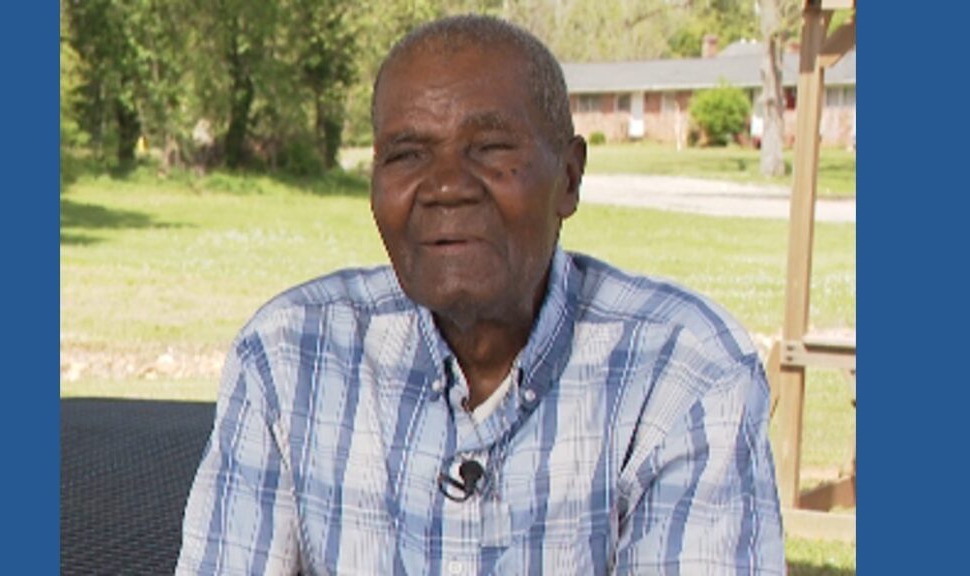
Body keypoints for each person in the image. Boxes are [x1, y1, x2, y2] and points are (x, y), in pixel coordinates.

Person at [177, 14, 784, 575]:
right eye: (407, 154)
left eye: (490, 149)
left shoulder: (682, 371)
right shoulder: (290, 356)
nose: (445, 186)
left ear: (569, 178)